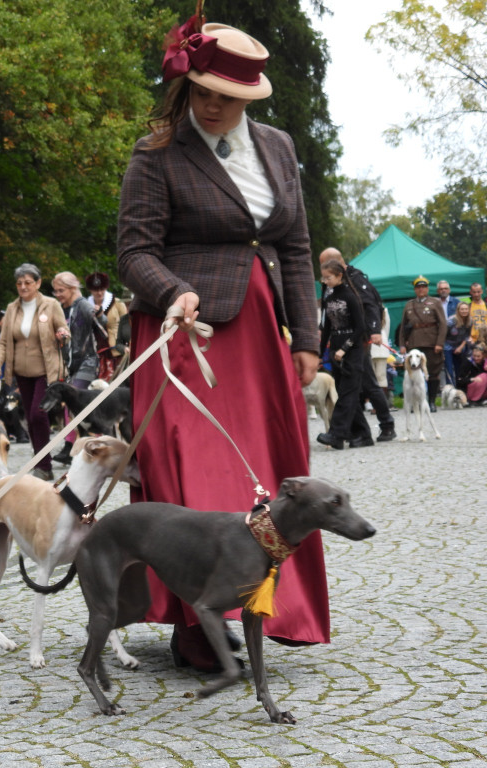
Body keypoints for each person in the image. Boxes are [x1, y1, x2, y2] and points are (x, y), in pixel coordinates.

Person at [116, 18, 329, 670]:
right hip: (184, 334)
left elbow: (294, 245)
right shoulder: (156, 153)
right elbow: (134, 252)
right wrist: (174, 291)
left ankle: (269, 607)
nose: (212, 106)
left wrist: (306, 336)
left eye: (227, 97)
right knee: (193, 473)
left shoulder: (277, 146)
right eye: (202, 92)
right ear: (185, 86)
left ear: (249, 96)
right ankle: (194, 622)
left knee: (264, 474)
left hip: (259, 334)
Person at [0, 263, 68, 481]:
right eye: (19, 283)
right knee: (31, 417)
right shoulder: (12, 308)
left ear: (38, 283)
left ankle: (44, 464)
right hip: (21, 373)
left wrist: (63, 334)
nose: (23, 287)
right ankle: (41, 463)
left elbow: (63, 328)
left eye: (28, 282)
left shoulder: (51, 305)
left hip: (46, 371)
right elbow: (3, 342)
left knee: (37, 414)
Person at [318, 248, 395, 441]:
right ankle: (358, 431)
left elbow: (370, 304)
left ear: (336, 264)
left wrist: (375, 330)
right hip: (339, 339)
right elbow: (327, 310)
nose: (324, 277)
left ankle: (386, 425)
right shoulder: (330, 282)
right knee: (348, 386)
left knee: (367, 383)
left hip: (357, 339)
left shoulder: (355, 279)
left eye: (324, 266)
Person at [316, 262, 372, 449]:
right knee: (347, 394)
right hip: (335, 350)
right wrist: (320, 353)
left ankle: (336, 434)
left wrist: (345, 348)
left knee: (347, 394)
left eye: (328, 277)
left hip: (352, 351)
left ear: (339, 276)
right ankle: (363, 434)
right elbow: (327, 328)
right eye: (323, 277)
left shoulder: (350, 297)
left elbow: (361, 328)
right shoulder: (329, 298)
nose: (325, 281)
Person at [50, 271, 98, 466]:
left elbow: (102, 326)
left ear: (72, 288)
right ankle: (73, 446)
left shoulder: (84, 306)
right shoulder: (64, 308)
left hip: (89, 361)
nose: (58, 294)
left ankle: (76, 446)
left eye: (61, 290)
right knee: (71, 403)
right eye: (55, 291)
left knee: (76, 401)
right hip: (72, 364)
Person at [399, 275, 447, 411]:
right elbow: (403, 326)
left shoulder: (435, 302)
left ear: (427, 288)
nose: (421, 289)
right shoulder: (409, 304)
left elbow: (443, 324)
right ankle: (416, 403)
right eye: (418, 287)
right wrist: (402, 344)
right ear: (415, 289)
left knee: (433, 373)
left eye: (423, 287)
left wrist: (440, 343)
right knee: (413, 374)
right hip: (414, 344)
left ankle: (431, 402)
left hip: (431, 343)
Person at [85, 271, 128, 382]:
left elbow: (127, 326)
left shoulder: (118, 303)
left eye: (102, 289)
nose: (99, 293)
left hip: (116, 350)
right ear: (90, 290)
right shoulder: (85, 306)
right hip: (95, 351)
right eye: (96, 290)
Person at [445, 300, 473, 387]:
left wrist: (461, 347)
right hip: (447, 346)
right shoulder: (451, 321)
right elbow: (443, 335)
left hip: (460, 346)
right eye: (462, 309)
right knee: (449, 369)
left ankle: (459, 388)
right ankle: (450, 388)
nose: (464, 311)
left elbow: (467, 335)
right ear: (458, 310)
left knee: (460, 369)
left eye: (466, 309)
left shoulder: (470, 321)